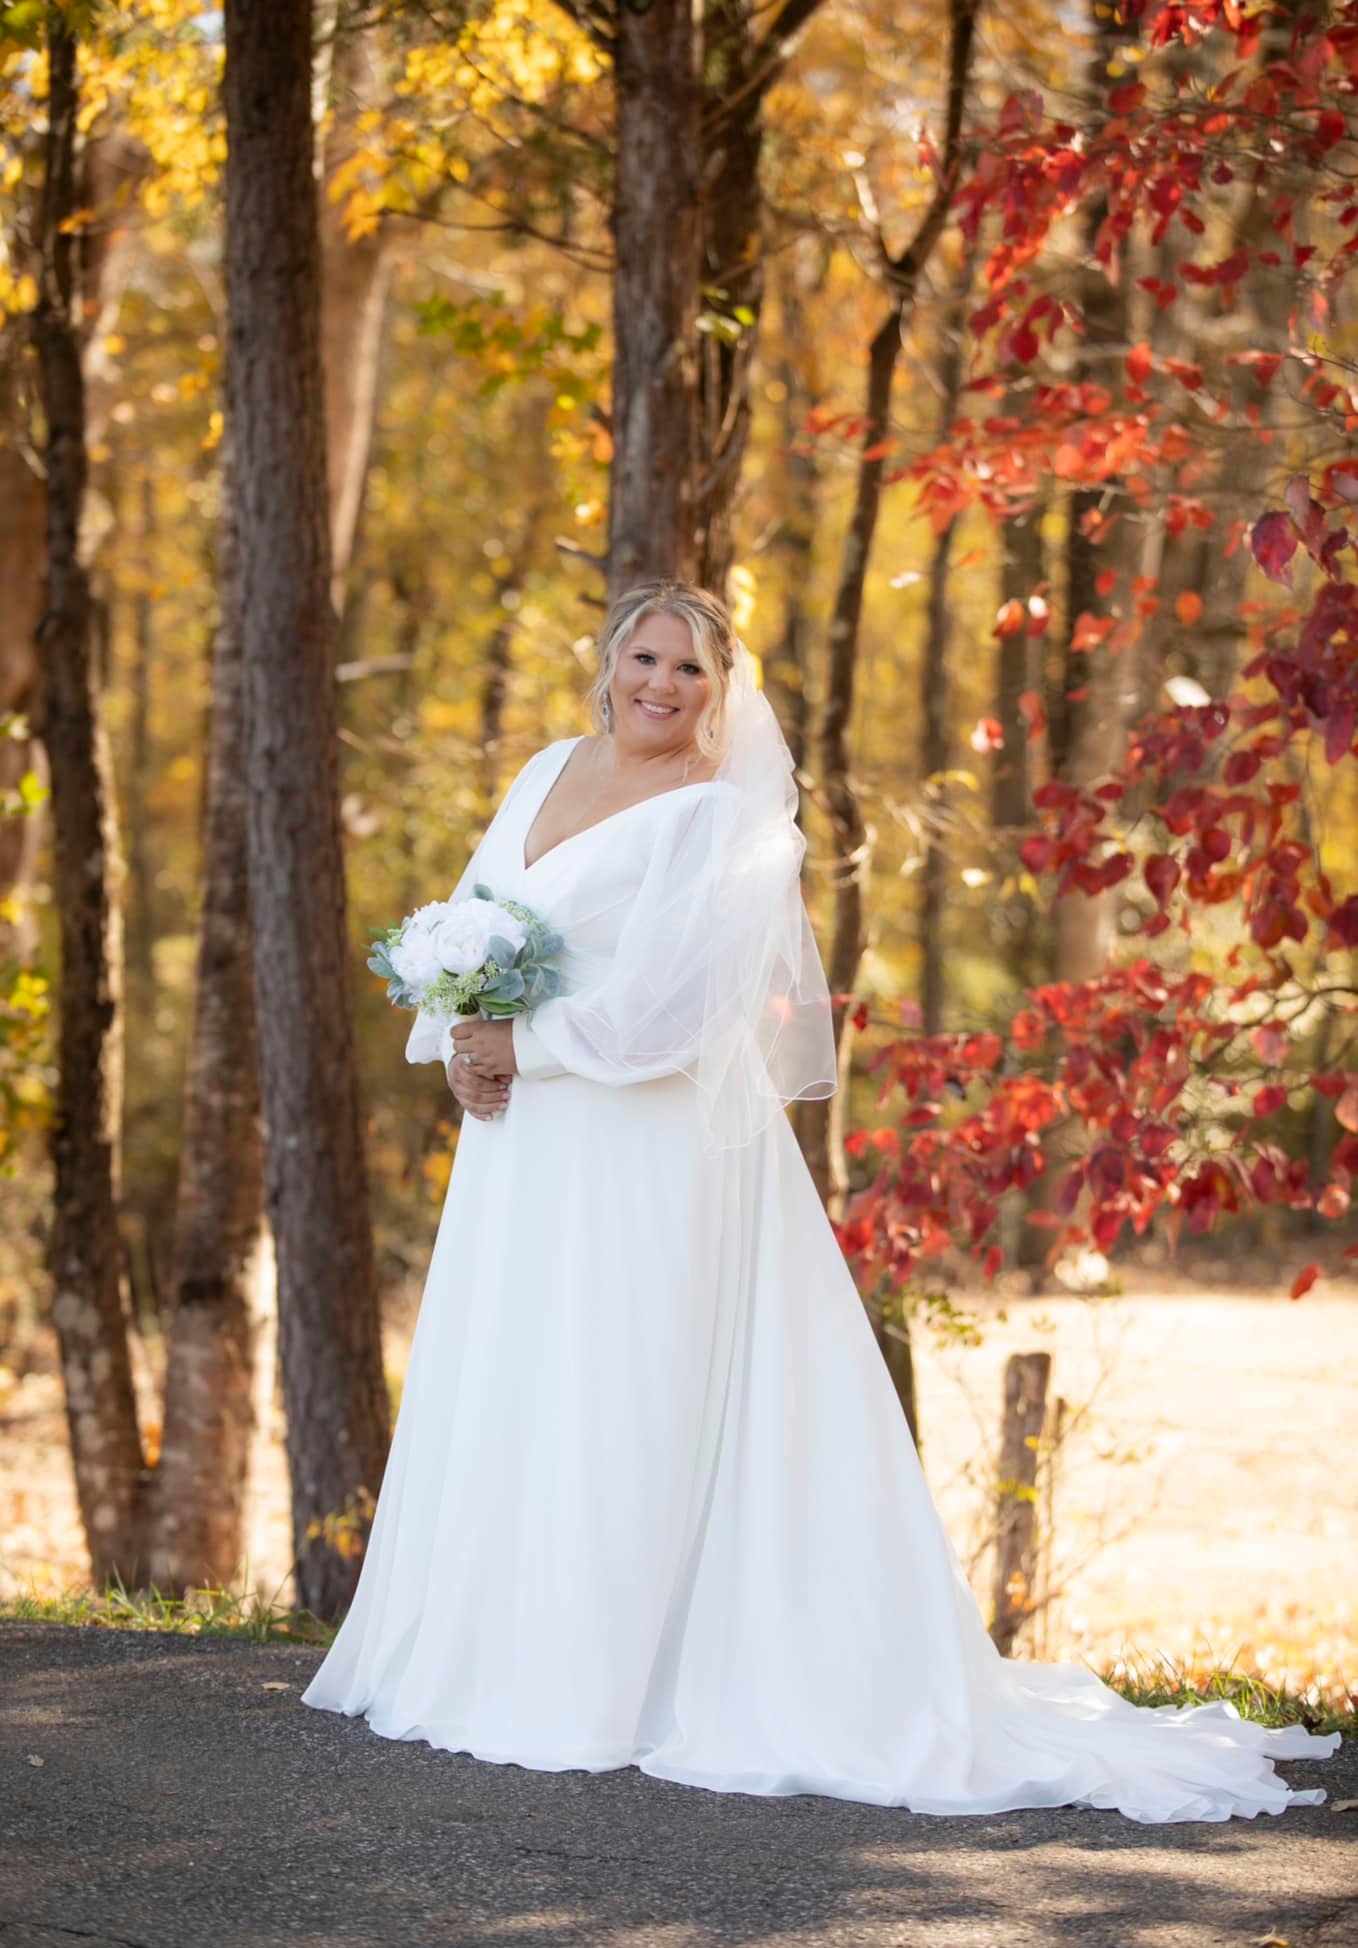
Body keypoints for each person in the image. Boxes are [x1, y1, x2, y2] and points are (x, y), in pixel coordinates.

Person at [302, 579, 1341, 1824]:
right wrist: (462, 1033)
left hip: (644, 1141)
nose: (663, 685)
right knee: (528, 1368)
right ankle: (494, 1648)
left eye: (691, 669)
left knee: (624, 1378)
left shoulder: (722, 820)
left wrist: (522, 1046)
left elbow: (678, 1012)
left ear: (720, 689)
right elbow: (468, 922)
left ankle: (608, 1676)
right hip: (526, 1141)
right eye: (645, 656)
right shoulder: (542, 771)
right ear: (608, 659)